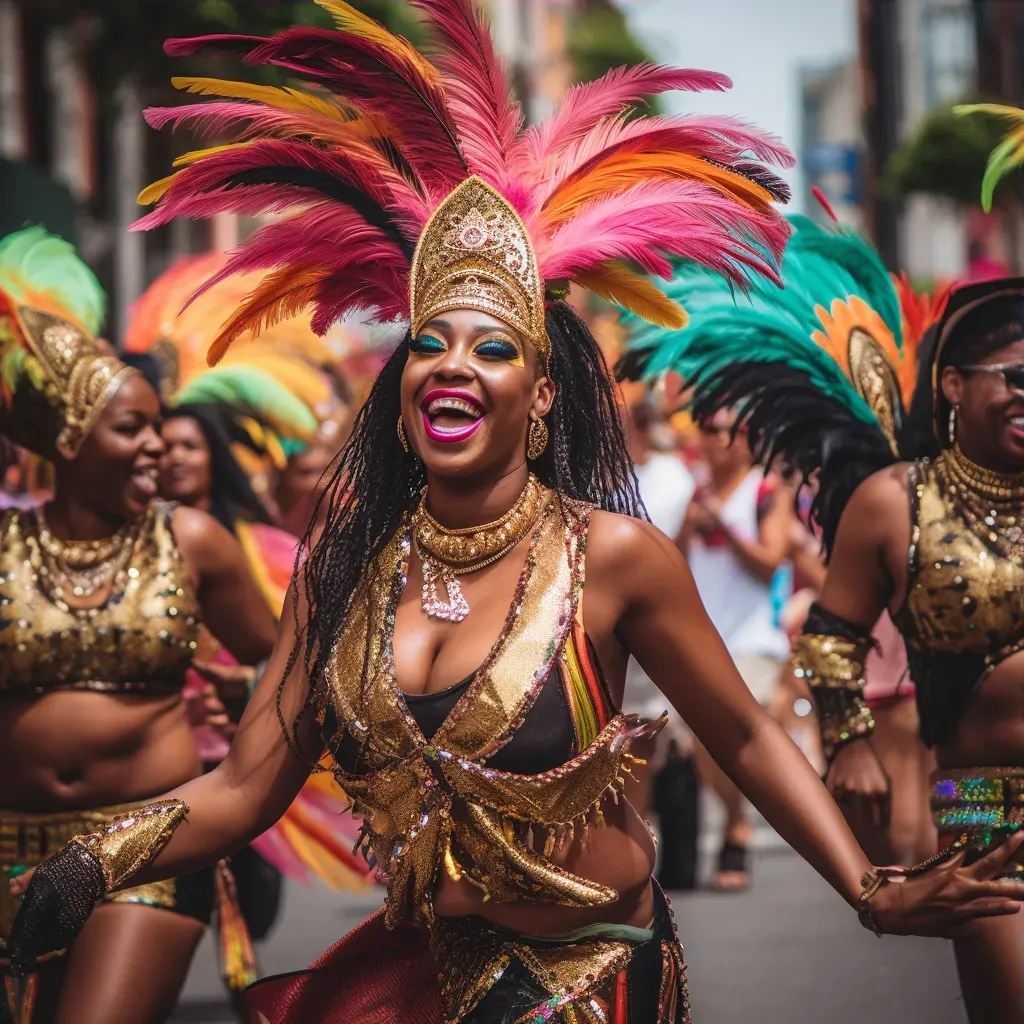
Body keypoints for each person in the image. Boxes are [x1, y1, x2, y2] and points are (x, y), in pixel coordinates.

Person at [8, 10, 1024, 1024]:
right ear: (403, 391)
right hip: (427, 976)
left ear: (541, 399)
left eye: (492, 349)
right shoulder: (346, 565)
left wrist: (871, 890)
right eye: (429, 344)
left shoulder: (612, 557)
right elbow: (244, 786)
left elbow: (749, 735)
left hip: (590, 984)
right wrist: (92, 861)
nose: (452, 362)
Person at [623, 210, 1023, 1023]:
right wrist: (848, 743)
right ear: (954, 384)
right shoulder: (897, 502)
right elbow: (834, 636)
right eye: (1016, 377)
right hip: (985, 801)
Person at [0, 227, 277, 1024]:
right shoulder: (8, 548)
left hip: (147, 849)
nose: (157, 446)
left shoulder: (191, 542)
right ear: (69, 441)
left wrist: (245, 699)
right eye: (133, 429)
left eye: (158, 426)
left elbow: (282, 661)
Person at [679, 411, 794, 891]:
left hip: (754, 639)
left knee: (726, 734)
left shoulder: (766, 490)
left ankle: (736, 831)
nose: (714, 441)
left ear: (746, 440)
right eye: (705, 430)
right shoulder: (695, 491)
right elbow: (675, 561)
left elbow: (772, 562)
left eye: (725, 432)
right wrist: (688, 526)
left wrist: (725, 527)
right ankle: (735, 817)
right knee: (697, 742)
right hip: (706, 640)